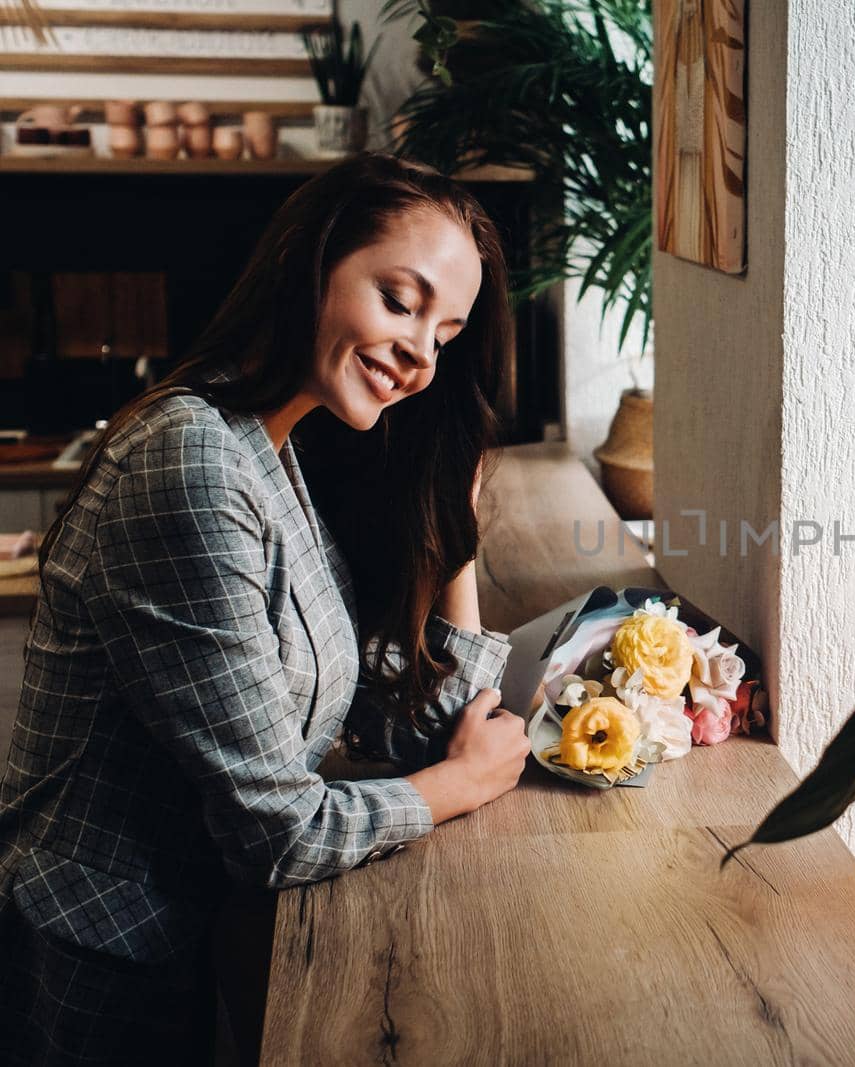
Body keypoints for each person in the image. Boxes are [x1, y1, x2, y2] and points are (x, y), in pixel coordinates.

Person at [0, 153, 533, 1065]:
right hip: (99, 957)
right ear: (311, 264)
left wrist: (457, 530)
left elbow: (404, 727)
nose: (419, 357)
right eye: (400, 302)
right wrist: (467, 785)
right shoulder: (194, 465)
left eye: (444, 335)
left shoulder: (274, 449)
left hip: (201, 928)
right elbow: (278, 833)